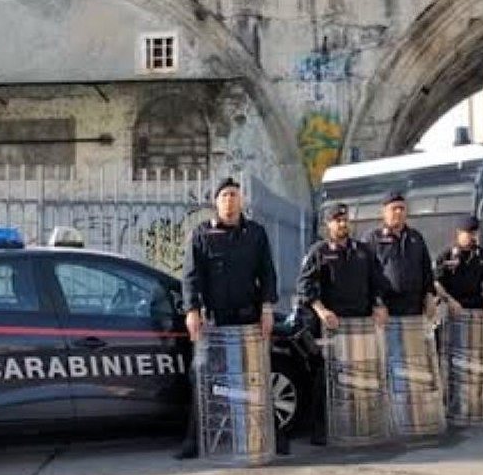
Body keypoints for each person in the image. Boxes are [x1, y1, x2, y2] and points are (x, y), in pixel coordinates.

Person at [176, 177, 286, 459]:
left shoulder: (256, 233)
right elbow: (190, 277)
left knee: (256, 377)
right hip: (215, 321)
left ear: (242, 200)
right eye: (224, 195)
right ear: (216, 202)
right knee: (203, 377)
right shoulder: (201, 234)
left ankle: (273, 437)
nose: (229, 200)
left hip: (249, 318)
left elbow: (267, 273)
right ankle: (194, 441)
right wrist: (191, 311)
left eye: (234, 195)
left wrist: (267, 308)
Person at [297, 203, 388, 444]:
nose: (342, 224)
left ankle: (360, 422)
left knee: (359, 375)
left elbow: (377, 281)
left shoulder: (363, 251)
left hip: (360, 326)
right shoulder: (319, 251)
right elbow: (304, 287)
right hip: (332, 327)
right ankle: (321, 429)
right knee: (325, 377)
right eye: (337, 220)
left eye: (345, 219)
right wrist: (321, 310)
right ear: (328, 224)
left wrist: (379, 304)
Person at [365, 190, 437, 319]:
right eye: (394, 209)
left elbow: (426, 269)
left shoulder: (415, 237)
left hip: (414, 309)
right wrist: (377, 303)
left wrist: (429, 295)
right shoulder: (373, 239)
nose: (399, 212)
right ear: (384, 212)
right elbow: (367, 275)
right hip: (386, 310)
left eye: (402, 208)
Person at [434, 215, 483, 319]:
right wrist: (450, 301)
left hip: (477, 309)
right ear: (459, 233)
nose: (473, 237)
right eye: (469, 233)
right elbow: (437, 283)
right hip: (452, 309)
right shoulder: (447, 256)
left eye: (475, 233)